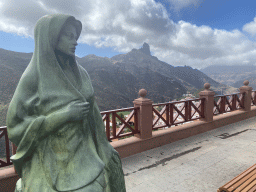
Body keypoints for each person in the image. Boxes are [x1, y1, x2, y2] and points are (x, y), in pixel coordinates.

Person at [6, 14, 126, 192]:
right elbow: (15, 127)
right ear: (52, 38)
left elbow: (93, 112)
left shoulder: (82, 73)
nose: (75, 42)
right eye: (69, 36)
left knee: (113, 169)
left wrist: (103, 145)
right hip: (51, 161)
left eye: (75, 37)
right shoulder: (33, 78)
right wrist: (63, 116)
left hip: (86, 153)